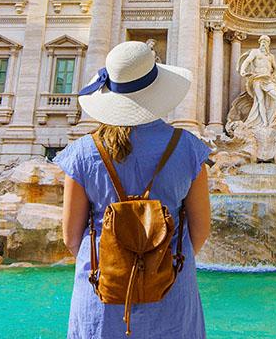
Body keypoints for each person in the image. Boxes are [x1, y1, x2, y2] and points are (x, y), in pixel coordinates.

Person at [55, 40, 211, 338]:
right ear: (157, 92)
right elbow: (200, 231)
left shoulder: (82, 153)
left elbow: (71, 237)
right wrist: (157, 261)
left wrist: (117, 260)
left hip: (102, 293)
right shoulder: (189, 149)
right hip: (172, 291)